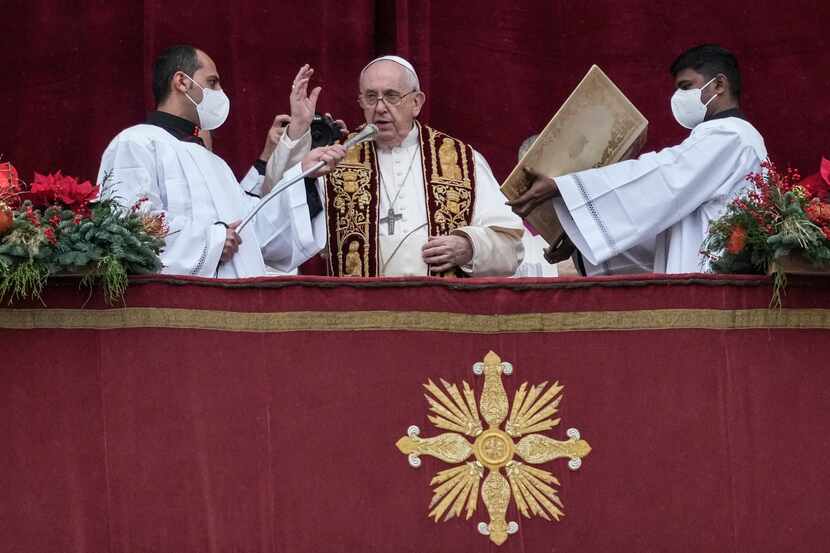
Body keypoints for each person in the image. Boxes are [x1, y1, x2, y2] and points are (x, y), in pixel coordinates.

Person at [508, 44, 767, 275]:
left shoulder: (732, 136)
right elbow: (662, 229)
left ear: (719, 85)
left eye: (686, 87)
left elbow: (662, 178)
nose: (677, 98)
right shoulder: (720, 139)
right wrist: (580, 243)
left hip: (717, 289)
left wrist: (564, 187)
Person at [97, 46, 345, 277]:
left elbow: (255, 233)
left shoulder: (215, 164)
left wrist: (304, 174)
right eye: (212, 83)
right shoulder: (136, 142)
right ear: (182, 81)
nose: (220, 93)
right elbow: (125, 230)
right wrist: (212, 242)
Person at [305, 55, 524, 277]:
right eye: (371, 97)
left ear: (416, 102)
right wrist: (298, 150)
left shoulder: (463, 160)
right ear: (361, 102)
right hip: (360, 309)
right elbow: (287, 241)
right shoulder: (334, 161)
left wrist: (469, 247)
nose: (380, 107)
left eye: (391, 96)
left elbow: (511, 247)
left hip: (441, 310)